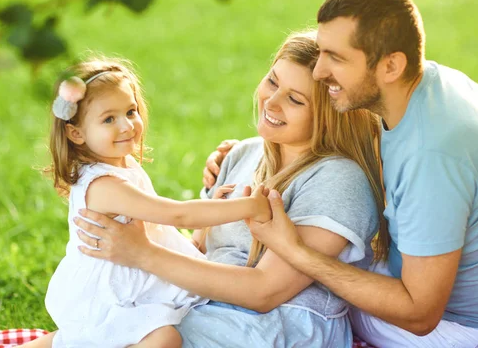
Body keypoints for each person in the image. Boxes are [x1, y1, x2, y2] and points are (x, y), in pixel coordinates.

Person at [204, 0, 478, 348]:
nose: (319, 72)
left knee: (296, 287)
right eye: (321, 52)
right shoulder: (431, 88)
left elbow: (419, 314)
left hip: (460, 323)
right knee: (323, 230)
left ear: (390, 66)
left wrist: (295, 250)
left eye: (336, 58)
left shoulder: (432, 154)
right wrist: (252, 155)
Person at [27, 31, 388, 347]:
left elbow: (266, 292)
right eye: (273, 81)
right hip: (201, 301)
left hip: (276, 323)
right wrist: (200, 230)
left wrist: (142, 253)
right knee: (84, 336)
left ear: (331, 113)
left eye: (296, 99)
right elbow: (197, 251)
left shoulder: (339, 179)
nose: (272, 102)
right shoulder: (243, 154)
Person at [39, 57, 272, 348]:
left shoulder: (118, 165)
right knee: (163, 339)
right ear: (76, 133)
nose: (126, 126)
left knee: (146, 336)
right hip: (109, 294)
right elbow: (176, 215)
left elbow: (162, 228)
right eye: (109, 119)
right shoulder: (104, 185)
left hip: (132, 281)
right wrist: (249, 206)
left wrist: (213, 213)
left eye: (130, 111)